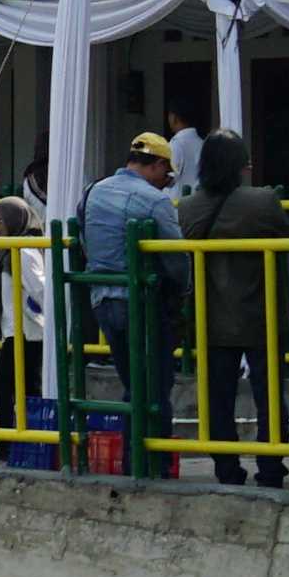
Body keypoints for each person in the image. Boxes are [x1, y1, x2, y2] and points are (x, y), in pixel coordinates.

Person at [179, 126, 289, 482]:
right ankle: (271, 464)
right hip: (262, 313)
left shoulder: (189, 207)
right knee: (269, 394)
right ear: (242, 165)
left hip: (210, 316)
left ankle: (226, 466)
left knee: (217, 398)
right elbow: (288, 238)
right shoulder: (263, 201)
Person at [76, 132, 183, 458]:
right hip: (142, 303)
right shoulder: (155, 200)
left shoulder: (93, 191)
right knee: (156, 386)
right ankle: (153, 461)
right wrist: (183, 295)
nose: (167, 182)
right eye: (168, 174)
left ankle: (132, 459)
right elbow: (177, 258)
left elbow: (83, 239)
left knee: (133, 384)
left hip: (102, 301)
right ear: (159, 164)